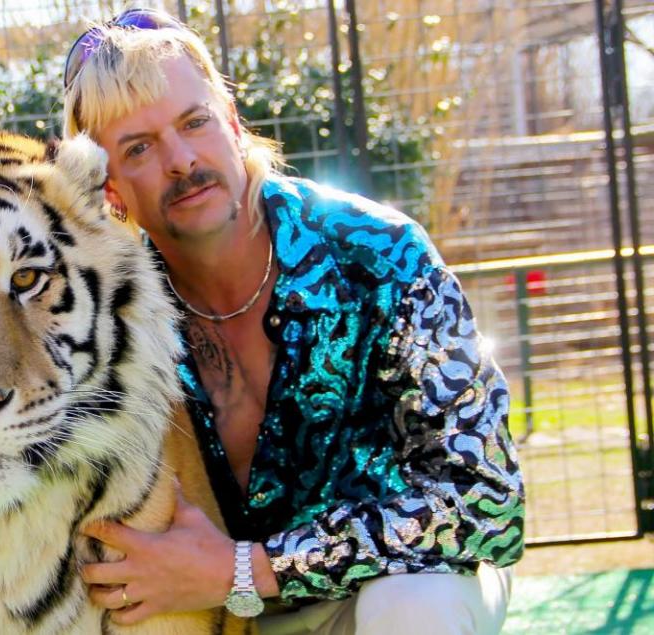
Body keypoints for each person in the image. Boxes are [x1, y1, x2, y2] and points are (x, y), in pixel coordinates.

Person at [62, 8, 525, 635]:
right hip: (210, 611)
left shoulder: (381, 254)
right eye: (139, 147)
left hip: (386, 588)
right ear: (110, 189)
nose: (180, 159)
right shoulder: (104, 320)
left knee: (416, 610)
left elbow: (487, 501)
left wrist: (246, 569)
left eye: (194, 122)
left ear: (231, 123)